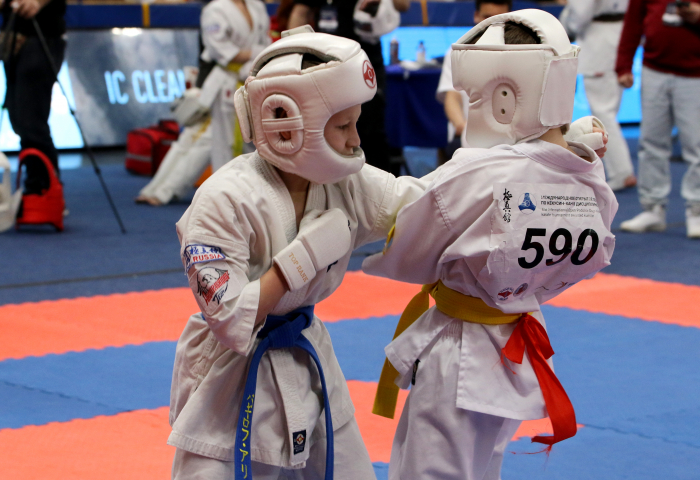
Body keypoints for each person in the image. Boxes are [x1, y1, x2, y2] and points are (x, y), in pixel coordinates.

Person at [168, 27, 435, 479]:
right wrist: (300, 261)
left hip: (308, 355)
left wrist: (517, 169)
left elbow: (426, 207)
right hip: (228, 375)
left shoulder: (346, 182)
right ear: (286, 122)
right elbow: (229, 317)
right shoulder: (222, 200)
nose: (355, 140)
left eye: (355, 123)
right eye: (343, 126)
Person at [363, 10, 618, 480]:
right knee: (484, 466)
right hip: (517, 342)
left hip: (458, 353)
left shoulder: (479, 175)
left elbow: (408, 239)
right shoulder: (589, 178)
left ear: (504, 98)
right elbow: (591, 253)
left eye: (473, 96)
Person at [287, 0, 410, 175]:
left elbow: (404, 5)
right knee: (328, 129)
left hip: (365, 62)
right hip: (326, 64)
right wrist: (292, 55)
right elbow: (300, 12)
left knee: (372, 132)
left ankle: (380, 187)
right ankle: (330, 181)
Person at [616, 0, 700, 238]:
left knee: (696, 145)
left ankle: (697, 210)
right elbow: (632, 24)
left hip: (695, 74)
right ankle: (652, 208)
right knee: (651, 142)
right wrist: (623, 65)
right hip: (654, 69)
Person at [0, 0, 66, 196]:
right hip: (14, 37)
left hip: (42, 36)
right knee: (18, 118)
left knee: (31, 121)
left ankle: (45, 190)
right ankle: (35, 185)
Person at [560, 0, 636, 191]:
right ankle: (622, 171)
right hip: (619, 35)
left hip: (599, 42)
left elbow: (580, 14)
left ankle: (622, 172)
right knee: (609, 112)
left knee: (604, 113)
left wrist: (566, 29)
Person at [436, 0, 512, 164]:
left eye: (499, 20)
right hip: (468, 137)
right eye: (487, 18)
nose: (492, 26)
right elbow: (452, 96)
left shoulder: (523, 53)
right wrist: (462, 127)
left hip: (510, 141)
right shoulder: (458, 51)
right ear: (476, 16)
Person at [201, 0, 270, 171]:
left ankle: (252, 182)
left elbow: (267, 41)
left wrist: (260, 54)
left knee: (256, 141)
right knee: (224, 143)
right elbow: (220, 51)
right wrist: (257, 52)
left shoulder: (256, 6)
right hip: (228, 81)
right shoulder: (215, 9)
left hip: (255, 81)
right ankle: (223, 184)